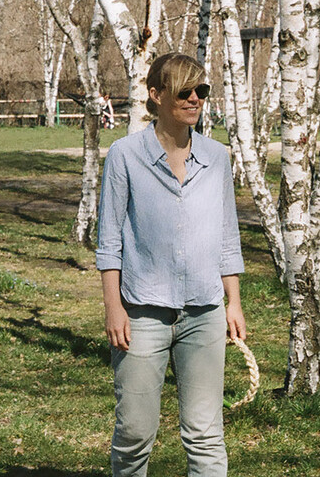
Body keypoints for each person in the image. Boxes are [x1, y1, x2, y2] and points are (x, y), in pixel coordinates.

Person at [96, 53, 245, 476]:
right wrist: (114, 308)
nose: (195, 98)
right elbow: (109, 243)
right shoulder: (125, 156)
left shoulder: (218, 157)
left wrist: (233, 302)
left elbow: (227, 236)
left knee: (205, 433)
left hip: (205, 313)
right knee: (134, 434)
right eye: (184, 91)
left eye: (202, 90)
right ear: (156, 95)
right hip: (142, 314)